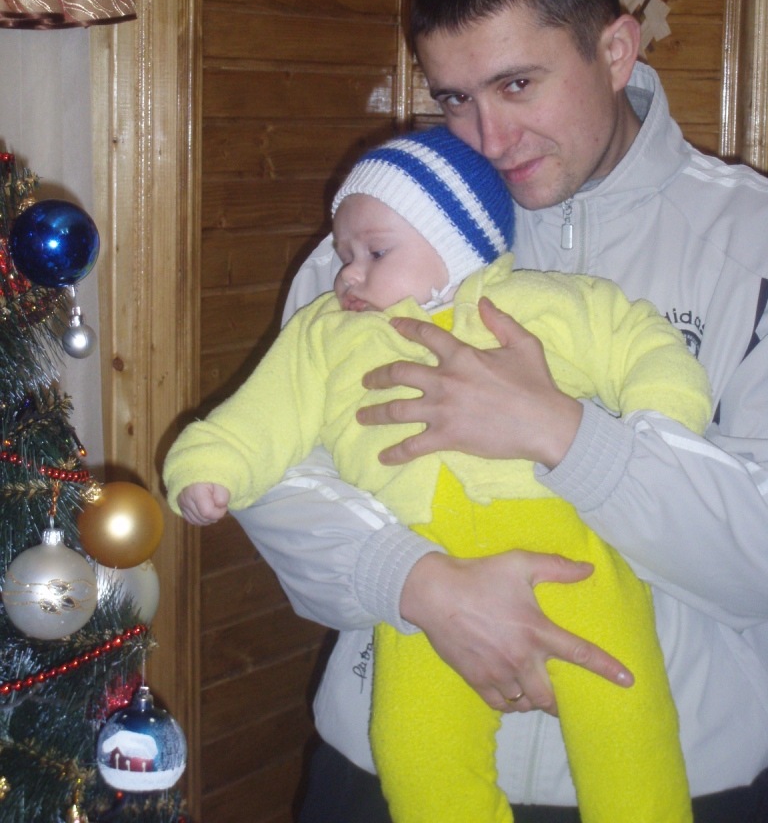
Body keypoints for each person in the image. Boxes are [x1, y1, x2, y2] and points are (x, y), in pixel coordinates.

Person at [231, 0, 768, 822]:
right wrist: (416, 584)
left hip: (671, 780)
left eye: (517, 84)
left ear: (616, 50)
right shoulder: (379, 240)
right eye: (453, 98)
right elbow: (270, 469)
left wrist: (565, 435)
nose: (487, 136)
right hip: (388, 772)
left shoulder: (748, 243)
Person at [165, 128, 710, 823]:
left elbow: (640, 343)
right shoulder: (324, 335)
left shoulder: (539, 304)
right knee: (416, 747)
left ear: (455, 245)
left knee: (625, 729)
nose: (347, 275)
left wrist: (665, 423)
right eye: (344, 254)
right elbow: (259, 416)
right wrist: (209, 465)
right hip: (426, 572)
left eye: (376, 252)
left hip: (574, 556)